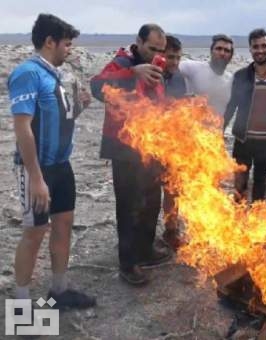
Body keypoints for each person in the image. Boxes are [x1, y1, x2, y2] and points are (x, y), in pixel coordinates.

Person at [8, 13, 95, 308]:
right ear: (49, 42)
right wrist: (35, 178)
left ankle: (59, 291)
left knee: (63, 224)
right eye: (66, 44)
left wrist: (80, 107)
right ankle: (21, 309)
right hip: (37, 168)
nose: (69, 50)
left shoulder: (55, 74)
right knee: (34, 233)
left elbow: (57, 119)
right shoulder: (27, 73)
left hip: (62, 165)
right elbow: (22, 127)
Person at [90, 24, 170, 285]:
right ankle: (128, 263)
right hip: (125, 149)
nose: (156, 54)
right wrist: (132, 72)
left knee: (151, 201)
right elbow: (97, 86)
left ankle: (145, 250)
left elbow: (156, 103)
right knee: (128, 206)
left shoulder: (158, 65)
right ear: (139, 42)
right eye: (152, 48)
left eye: (161, 50)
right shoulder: (123, 61)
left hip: (151, 147)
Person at [223, 28, 266, 202]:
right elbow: (231, 106)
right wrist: (219, 130)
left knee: (260, 183)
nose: (260, 50)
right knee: (240, 182)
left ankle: (256, 219)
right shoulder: (241, 76)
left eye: (263, 46)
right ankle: (237, 219)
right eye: (255, 46)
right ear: (250, 49)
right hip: (242, 140)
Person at [161, 34, 187, 251]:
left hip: (174, 143)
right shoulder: (151, 75)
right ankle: (141, 236)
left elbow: (179, 109)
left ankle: (171, 231)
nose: (175, 63)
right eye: (171, 57)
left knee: (173, 191)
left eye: (178, 58)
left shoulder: (178, 78)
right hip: (149, 143)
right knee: (148, 195)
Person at [179, 34, 234, 115]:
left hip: (217, 127)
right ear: (211, 51)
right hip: (193, 125)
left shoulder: (232, 81)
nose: (222, 53)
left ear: (230, 56)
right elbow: (167, 67)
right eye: (218, 49)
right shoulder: (192, 68)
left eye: (227, 50)